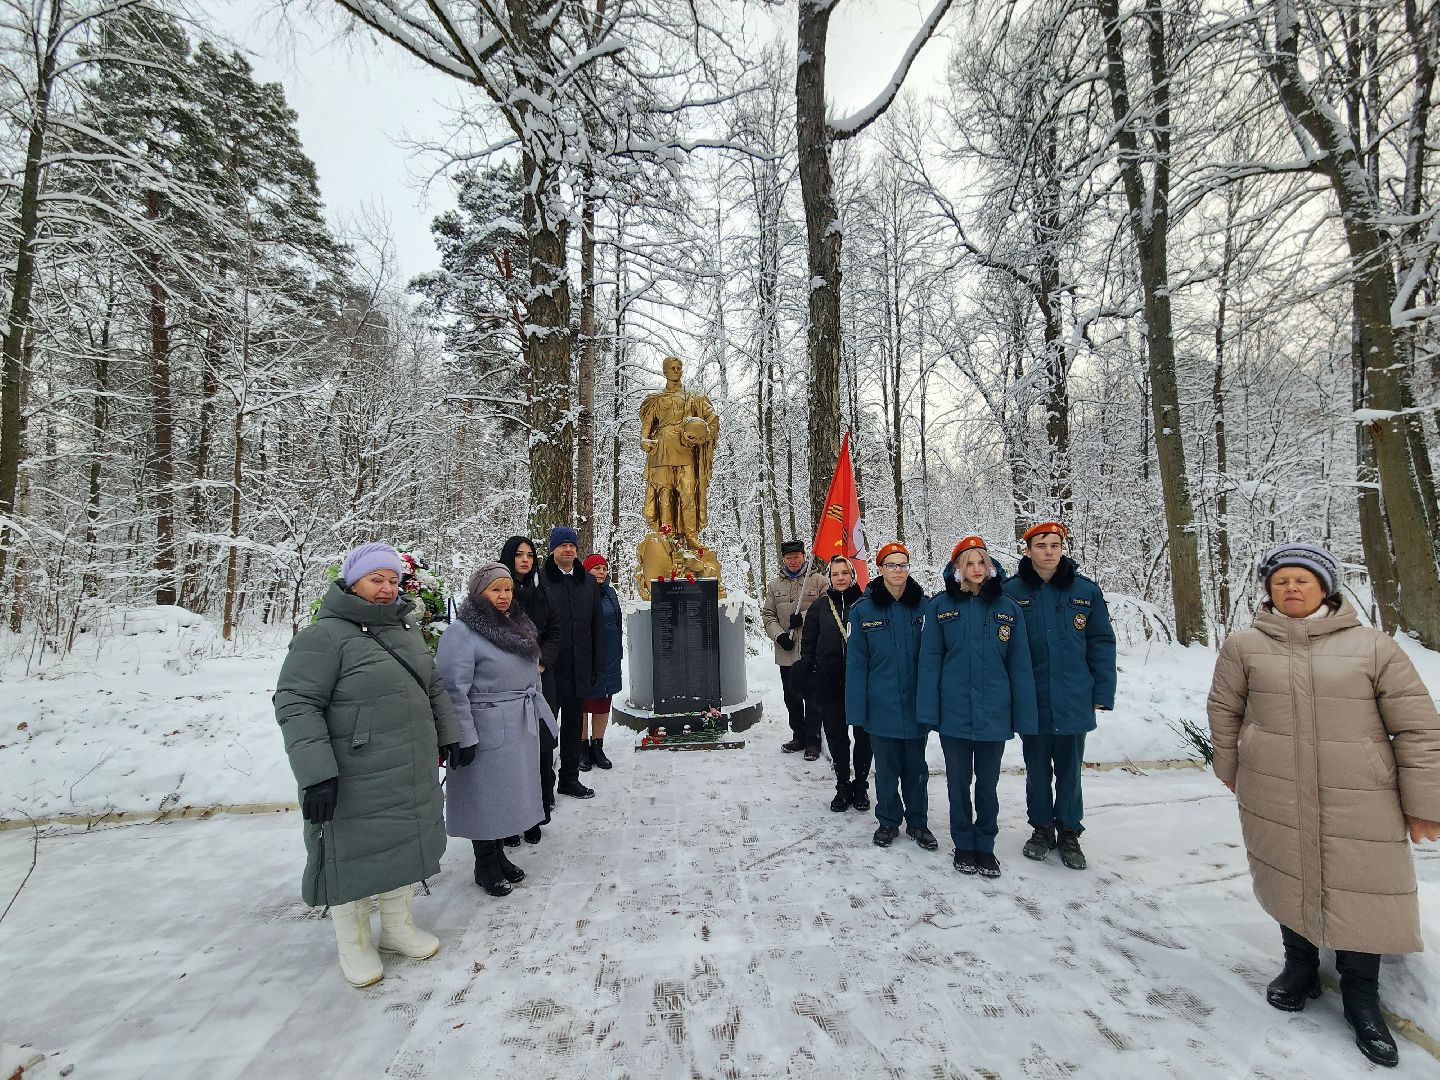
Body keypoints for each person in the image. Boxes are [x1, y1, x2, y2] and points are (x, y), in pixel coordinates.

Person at [1207, 543, 1440, 1069]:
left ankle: (1362, 996)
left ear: (1325, 587)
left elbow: (1418, 725)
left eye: (1302, 580)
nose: (1291, 588)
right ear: (1268, 589)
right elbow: (1225, 709)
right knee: (1286, 870)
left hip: (1361, 792)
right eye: (1281, 580)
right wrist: (1233, 767)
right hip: (1273, 786)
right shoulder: (1245, 646)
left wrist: (1425, 801)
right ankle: (1300, 967)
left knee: (1364, 885)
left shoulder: (1372, 646)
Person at [274, 542, 467, 988]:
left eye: (393, 580)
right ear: (352, 581)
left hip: (409, 763)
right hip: (353, 772)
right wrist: (316, 772)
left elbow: (433, 685)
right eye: (375, 580)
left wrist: (451, 734)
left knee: (403, 842)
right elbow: (296, 704)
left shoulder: (405, 630)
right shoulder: (323, 637)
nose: (385, 589)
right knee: (354, 851)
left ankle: (397, 929)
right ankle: (355, 942)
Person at [436, 562, 558, 897]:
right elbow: (451, 687)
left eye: (507, 589)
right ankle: (484, 862)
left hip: (516, 723)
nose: (503, 596)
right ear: (479, 593)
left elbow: (531, 672)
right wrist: (462, 735)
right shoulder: (461, 633)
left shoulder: (519, 623)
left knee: (506, 795)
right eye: (495, 590)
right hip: (484, 726)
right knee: (484, 796)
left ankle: (499, 855)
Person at [918, 536, 1037, 878]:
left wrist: (1023, 715)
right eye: (968, 563)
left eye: (981, 562)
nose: (976, 569)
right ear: (957, 568)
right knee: (958, 784)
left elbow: (1020, 665)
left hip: (994, 714)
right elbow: (930, 662)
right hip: (954, 713)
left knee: (987, 784)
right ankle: (963, 844)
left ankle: (985, 845)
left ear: (990, 567)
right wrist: (929, 712)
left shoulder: (1008, 608)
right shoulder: (940, 607)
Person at [1001, 521, 1115, 870]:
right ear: (1027, 550)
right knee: (1036, 767)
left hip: (1073, 695)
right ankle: (1041, 828)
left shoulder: (1085, 591)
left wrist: (1103, 690)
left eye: (1054, 544)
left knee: (1069, 768)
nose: (1048, 551)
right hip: (1032, 697)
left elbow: (1101, 642)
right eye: (1041, 545)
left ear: (1062, 548)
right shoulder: (1011, 592)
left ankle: (1068, 831)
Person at [846, 542, 935, 851]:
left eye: (903, 565)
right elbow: (856, 663)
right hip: (880, 706)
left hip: (915, 706)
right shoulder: (864, 610)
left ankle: (918, 823)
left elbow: (936, 659)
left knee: (916, 769)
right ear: (880, 569)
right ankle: (887, 822)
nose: (899, 571)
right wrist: (857, 711)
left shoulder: (925, 607)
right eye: (892, 565)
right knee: (885, 770)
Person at [797, 555, 871, 812]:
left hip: (861, 683)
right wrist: (808, 674)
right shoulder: (819, 607)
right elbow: (808, 646)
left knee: (863, 737)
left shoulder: (866, 604)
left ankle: (861, 785)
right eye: (835, 574)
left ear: (853, 575)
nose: (840, 578)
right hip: (830, 682)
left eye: (845, 573)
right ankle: (842, 784)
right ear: (830, 577)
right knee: (837, 736)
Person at [500, 535, 560, 843]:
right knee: (513, 752)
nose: (525, 560)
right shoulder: (498, 590)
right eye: (519, 555)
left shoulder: (542, 591)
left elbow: (555, 631)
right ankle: (512, 819)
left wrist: (543, 661)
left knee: (540, 748)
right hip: (507, 683)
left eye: (529, 555)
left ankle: (536, 814)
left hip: (539, 678)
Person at [542, 525, 605, 799]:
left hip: (579, 668)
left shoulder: (587, 581)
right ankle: (543, 788)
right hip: (550, 669)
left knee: (572, 728)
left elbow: (596, 625)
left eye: (572, 545)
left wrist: (597, 663)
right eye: (562, 545)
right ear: (553, 549)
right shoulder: (541, 580)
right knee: (545, 731)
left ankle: (569, 779)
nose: (568, 549)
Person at [639, 354, 719, 540]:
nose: (676, 371)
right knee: (664, 495)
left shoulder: (694, 398)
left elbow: (712, 418)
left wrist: (704, 433)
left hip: (685, 450)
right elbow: (646, 429)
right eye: (672, 368)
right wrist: (645, 441)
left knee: (688, 492)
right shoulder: (655, 400)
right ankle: (668, 538)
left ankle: (691, 536)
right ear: (664, 371)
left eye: (679, 367)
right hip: (662, 450)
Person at [763, 539, 828, 757]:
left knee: (812, 698)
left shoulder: (819, 581)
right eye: (788, 558)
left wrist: (802, 617)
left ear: (803, 556)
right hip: (787, 652)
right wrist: (780, 636)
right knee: (791, 696)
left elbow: (828, 610)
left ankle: (813, 741)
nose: (793, 561)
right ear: (783, 559)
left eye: (796, 557)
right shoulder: (774, 586)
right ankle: (798, 736)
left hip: (811, 651)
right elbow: (768, 615)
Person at [581, 553, 623, 771]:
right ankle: (582, 747)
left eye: (604, 568)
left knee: (601, 703)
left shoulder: (611, 594)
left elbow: (617, 623)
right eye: (596, 568)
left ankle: (598, 746)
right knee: (583, 704)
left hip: (609, 657)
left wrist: (619, 652)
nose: (601, 572)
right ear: (586, 571)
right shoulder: (578, 592)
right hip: (585, 658)